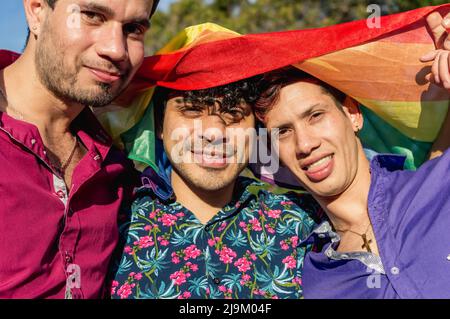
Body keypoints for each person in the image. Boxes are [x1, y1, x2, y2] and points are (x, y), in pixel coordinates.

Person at [252, 13, 450, 299]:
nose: (305, 144)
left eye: (316, 115)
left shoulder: (438, 185)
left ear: (353, 114)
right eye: (283, 132)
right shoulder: (311, 283)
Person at [0, 0, 159, 299]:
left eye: (133, 29)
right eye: (92, 16)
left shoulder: (118, 169)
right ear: (36, 9)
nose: (116, 50)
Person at [110, 80, 321, 299]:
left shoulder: (305, 221)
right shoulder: (110, 221)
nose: (214, 132)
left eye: (234, 113)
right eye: (192, 110)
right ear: (158, 123)